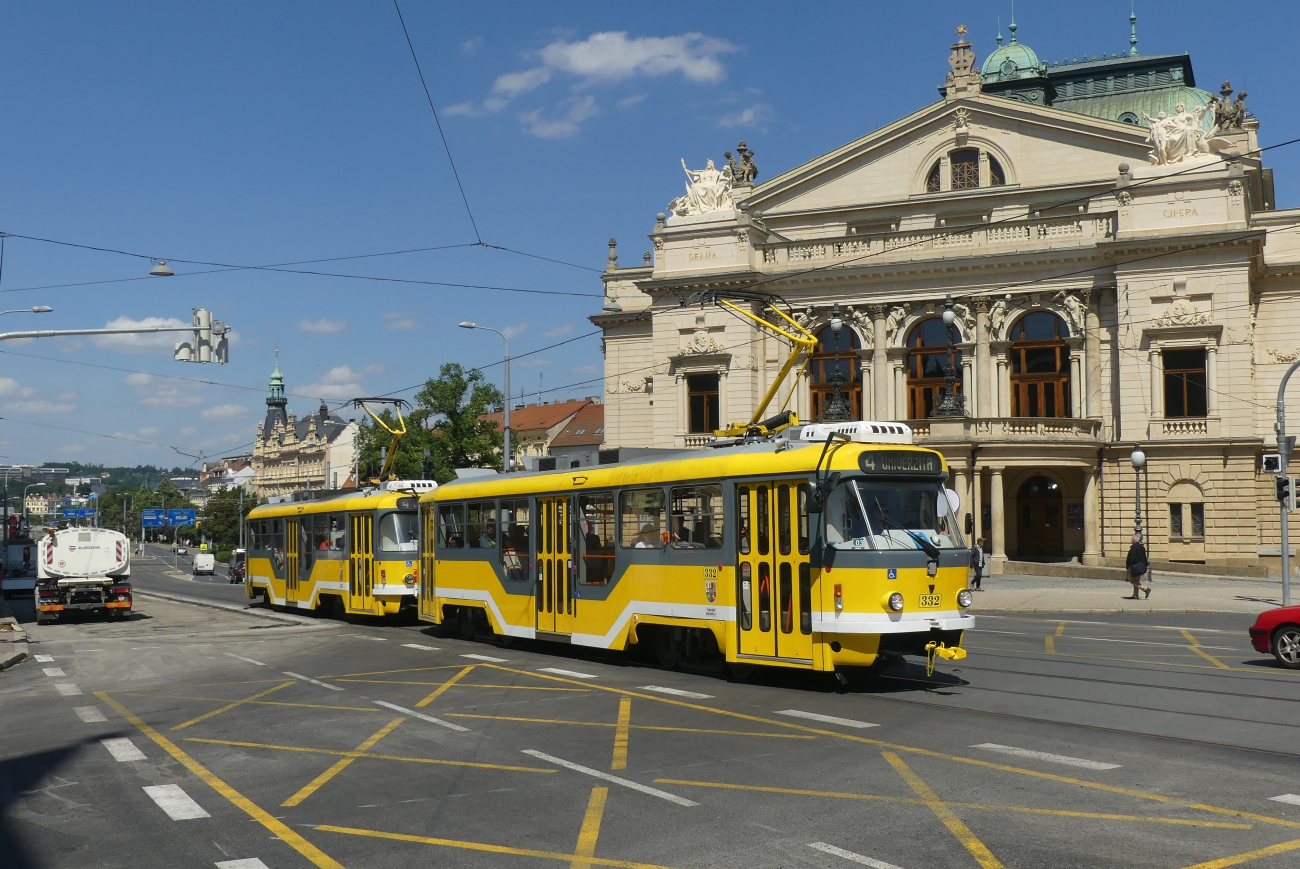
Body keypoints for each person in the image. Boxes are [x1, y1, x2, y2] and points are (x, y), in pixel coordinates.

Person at [1126, 533, 1151, 599]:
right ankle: (1135, 595)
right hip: (1141, 567)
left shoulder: (1134, 547)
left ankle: (1145, 589)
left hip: (1135, 567)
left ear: (1134, 540)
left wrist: (1128, 566)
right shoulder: (1141, 547)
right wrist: (1145, 567)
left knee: (1132, 581)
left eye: (1132, 539)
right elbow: (1144, 558)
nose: (1131, 540)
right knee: (1136, 581)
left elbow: (1131, 558)